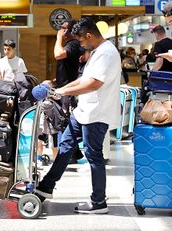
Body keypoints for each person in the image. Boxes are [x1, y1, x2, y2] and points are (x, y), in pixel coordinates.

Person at [35, 17, 121, 214]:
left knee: (93, 155)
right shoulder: (98, 51)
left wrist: (65, 92)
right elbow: (84, 78)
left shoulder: (107, 53)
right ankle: (46, 187)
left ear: (89, 36)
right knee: (65, 146)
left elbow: (94, 84)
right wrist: (61, 89)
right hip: (84, 111)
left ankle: (99, 202)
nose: (81, 45)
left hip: (96, 113)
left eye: (81, 41)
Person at [54, 19, 85, 163]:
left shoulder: (73, 44)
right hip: (66, 87)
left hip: (69, 90)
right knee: (66, 121)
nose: (61, 30)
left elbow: (58, 54)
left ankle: (71, 155)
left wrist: (58, 37)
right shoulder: (72, 45)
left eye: (64, 28)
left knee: (66, 121)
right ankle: (75, 153)